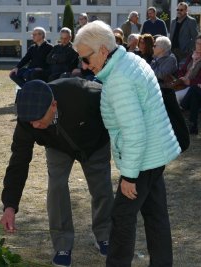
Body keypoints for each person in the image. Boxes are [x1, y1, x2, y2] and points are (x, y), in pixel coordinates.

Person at [74, 20, 181, 267]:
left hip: (143, 158)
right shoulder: (131, 61)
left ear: (102, 50)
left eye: (86, 59)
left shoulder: (119, 78)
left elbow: (134, 131)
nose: (84, 65)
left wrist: (129, 176)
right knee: (156, 216)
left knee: (122, 217)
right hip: (155, 152)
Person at [0, 78, 114, 267]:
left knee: (101, 186)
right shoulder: (27, 121)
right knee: (57, 186)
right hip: (57, 147)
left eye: (38, 121)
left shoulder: (84, 93)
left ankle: (105, 234)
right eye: (31, 123)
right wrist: (10, 205)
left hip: (95, 142)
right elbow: (18, 162)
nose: (34, 126)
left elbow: (116, 106)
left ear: (53, 105)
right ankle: (62, 244)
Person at [175, 34, 201, 104]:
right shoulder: (191, 56)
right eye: (197, 43)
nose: (199, 46)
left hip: (193, 87)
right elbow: (182, 70)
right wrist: (181, 77)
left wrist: (190, 81)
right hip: (181, 83)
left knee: (175, 96)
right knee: (165, 94)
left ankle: (179, 113)